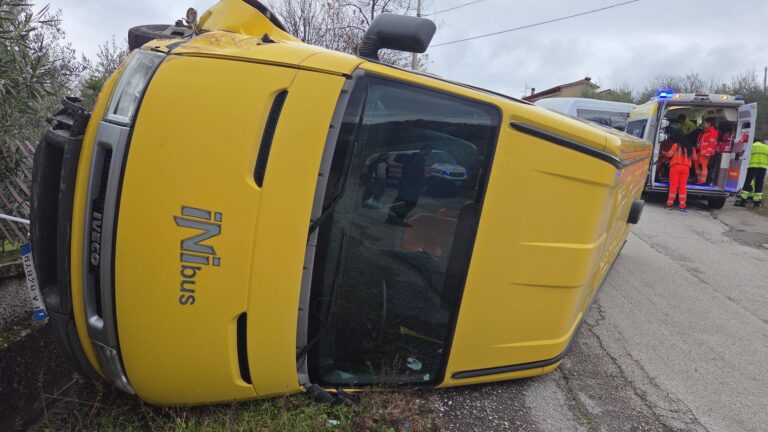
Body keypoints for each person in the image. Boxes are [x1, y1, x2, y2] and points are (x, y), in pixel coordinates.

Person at [386, 145, 432, 226]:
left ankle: (392, 218)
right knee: (409, 203)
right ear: (426, 150)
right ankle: (397, 219)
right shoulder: (419, 159)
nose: (429, 153)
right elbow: (417, 173)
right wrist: (423, 184)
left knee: (400, 200)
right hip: (411, 186)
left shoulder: (411, 157)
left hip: (405, 184)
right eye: (429, 151)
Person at [662, 133, 697, 211]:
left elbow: (669, 155)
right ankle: (682, 206)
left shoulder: (676, 145)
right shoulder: (691, 147)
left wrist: (663, 153)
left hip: (675, 167)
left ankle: (669, 205)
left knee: (673, 186)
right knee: (683, 186)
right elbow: (695, 158)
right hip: (686, 168)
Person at [735, 139, 768, 207]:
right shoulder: (766, 147)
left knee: (747, 182)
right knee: (759, 184)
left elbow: (745, 156)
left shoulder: (752, 146)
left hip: (752, 167)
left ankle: (742, 201)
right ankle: (757, 203)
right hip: (762, 168)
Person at [694, 117, 718, 184]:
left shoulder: (712, 132)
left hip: (706, 154)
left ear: (709, 124)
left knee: (704, 167)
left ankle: (702, 181)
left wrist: (707, 154)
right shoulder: (705, 132)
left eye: (704, 124)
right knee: (696, 165)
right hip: (701, 152)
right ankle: (699, 179)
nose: (703, 125)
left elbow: (711, 144)